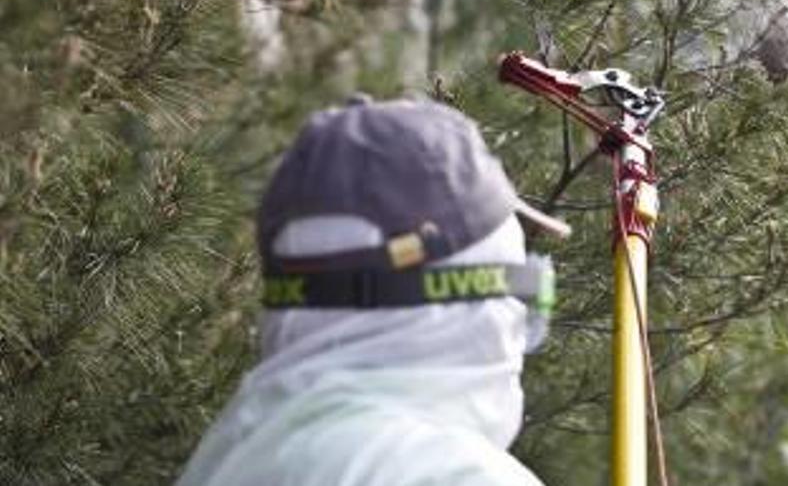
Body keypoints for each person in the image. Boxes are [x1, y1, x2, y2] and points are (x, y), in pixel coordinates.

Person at [177, 96, 569, 486]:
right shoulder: (451, 475)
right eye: (521, 289)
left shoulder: (234, 453)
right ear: (462, 304)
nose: (519, 324)